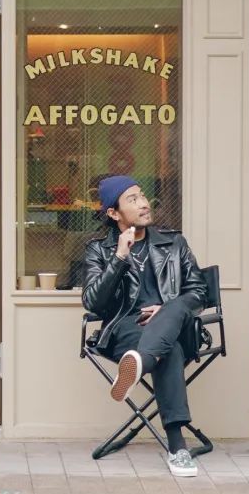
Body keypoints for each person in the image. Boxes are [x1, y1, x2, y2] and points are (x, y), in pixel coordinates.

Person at [82, 175, 207, 478]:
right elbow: (93, 304)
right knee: (170, 348)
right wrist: (119, 257)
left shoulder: (174, 243)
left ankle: (143, 362)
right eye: (132, 199)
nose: (144, 203)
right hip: (126, 330)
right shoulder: (99, 250)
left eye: (142, 196)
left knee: (173, 313)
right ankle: (177, 448)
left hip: (175, 324)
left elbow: (198, 292)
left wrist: (166, 309)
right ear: (113, 214)